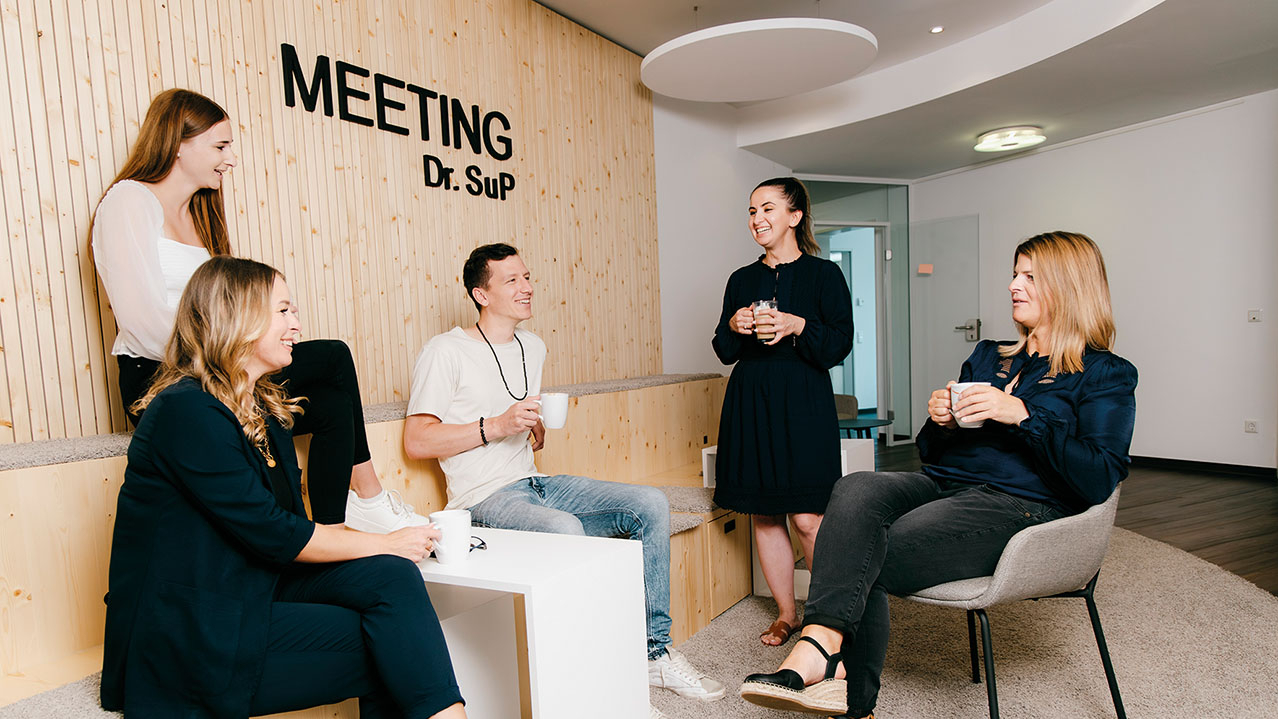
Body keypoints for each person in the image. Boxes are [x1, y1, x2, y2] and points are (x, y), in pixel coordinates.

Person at [738, 231, 1138, 718]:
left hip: (1022, 503)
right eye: (1014, 273)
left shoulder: (1106, 373)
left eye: (1030, 277)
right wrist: (941, 420)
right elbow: (931, 452)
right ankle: (829, 661)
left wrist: (1021, 415)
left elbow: (1099, 476)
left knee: (865, 551)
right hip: (948, 484)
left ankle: (836, 675)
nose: (1014, 284)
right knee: (854, 488)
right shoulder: (992, 355)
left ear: (1070, 287)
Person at [101, 256, 466, 718]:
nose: (296, 326)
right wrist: (383, 541)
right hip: (188, 625)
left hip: (252, 586)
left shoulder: (266, 411)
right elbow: (276, 533)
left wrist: (385, 552)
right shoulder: (184, 411)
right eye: (283, 311)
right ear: (239, 317)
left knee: (392, 580)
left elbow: (286, 526)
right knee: (395, 644)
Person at [402, 243, 725, 718]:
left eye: (527, 276)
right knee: (563, 533)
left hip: (537, 483)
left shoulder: (533, 346)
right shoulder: (446, 351)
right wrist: (496, 425)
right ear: (480, 293)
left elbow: (526, 434)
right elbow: (417, 440)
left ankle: (653, 655)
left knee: (650, 504)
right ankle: (597, 677)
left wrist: (531, 427)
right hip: (483, 499)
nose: (527, 287)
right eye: (511, 280)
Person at [91, 87, 422, 531]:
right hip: (161, 378)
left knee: (331, 406)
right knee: (333, 356)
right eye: (220, 146)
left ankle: (330, 529)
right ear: (177, 142)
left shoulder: (199, 216)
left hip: (219, 366)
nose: (230, 159)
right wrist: (229, 357)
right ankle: (368, 495)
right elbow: (141, 321)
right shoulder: (129, 201)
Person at [712, 177, 854, 646]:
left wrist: (797, 324)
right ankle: (787, 613)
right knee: (766, 516)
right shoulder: (740, 279)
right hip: (751, 402)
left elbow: (839, 344)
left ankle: (827, 617)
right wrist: (734, 324)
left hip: (805, 403)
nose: (757, 219)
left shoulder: (825, 275)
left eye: (767, 209)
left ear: (794, 216)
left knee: (808, 518)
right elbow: (723, 350)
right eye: (751, 211)